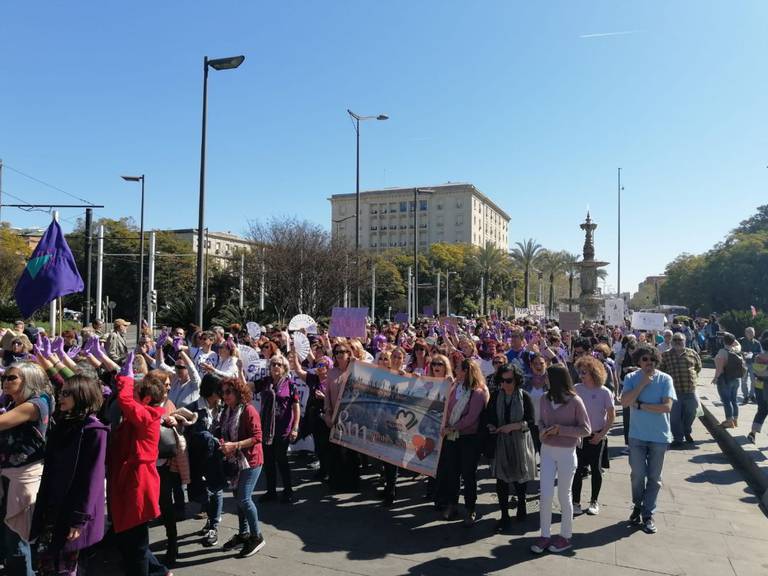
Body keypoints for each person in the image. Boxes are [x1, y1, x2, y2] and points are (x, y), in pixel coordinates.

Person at [31, 375, 108, 576]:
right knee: (46, 566)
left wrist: (80, 519)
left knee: (64, 568)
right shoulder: (63, 424)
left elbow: (93, 478)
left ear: (81, 395)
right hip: (52, 507)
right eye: (61, 392)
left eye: (66, 393)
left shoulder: (94, 430)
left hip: (72, 511)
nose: (61, 396)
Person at [107, 353, 171, 576]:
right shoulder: (145, 410)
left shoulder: (147, 415)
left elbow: (126, 401)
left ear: (144, 398)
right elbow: (129, 400)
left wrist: (125, 378)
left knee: (137, 543)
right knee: (130, 540)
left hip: (138, 483)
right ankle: (159, 572)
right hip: (131, 478)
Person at [0, 362, 54, 575]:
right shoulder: (18, 402)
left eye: (12, 378)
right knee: (10, 534)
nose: (5, 381)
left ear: (29, 380)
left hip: (23, 478)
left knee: (17, 537)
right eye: (5, 377)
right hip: (11, 474)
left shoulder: (35, 404)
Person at [530, 364, 590, 554]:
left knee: (564, 495)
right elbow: (539, 422)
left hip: (566, 452)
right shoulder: (544, 399)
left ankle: (566, 536)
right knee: (545, 495)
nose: (544, 378)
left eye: (547, 376)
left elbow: (586, 429)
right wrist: (542, 432)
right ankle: (545, 535)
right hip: (547, 451)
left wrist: (560, 430)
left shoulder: (575, 401)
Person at [620, 345, 676, 535]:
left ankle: (648, 513)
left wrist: (641, 405)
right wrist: (642, 384)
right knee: (637, 475)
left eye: (652, 360)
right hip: (637, 436)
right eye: (644, 359)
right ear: (638, 361)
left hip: (659, 437)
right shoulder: (631, 378)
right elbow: (625, 402)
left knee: (654, 478)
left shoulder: (665, 379)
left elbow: (666, 407)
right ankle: (638, 505)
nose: (648, 363)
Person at [436, 358, 489, 526]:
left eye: (458, 368)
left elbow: (471, 418)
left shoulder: (478, 392)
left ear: (466, 371)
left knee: (468, 474)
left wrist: (453, 428)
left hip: (468, 439)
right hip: (452, 438)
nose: (455, 370)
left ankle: (470, 507)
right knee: (452, 472)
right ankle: (452, 504)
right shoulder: (454, 387)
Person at [484, 363, 536, 531]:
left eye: (509, 381)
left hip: (519, 440)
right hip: (501, 442)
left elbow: (531, 421)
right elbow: (489, 416)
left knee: (520, 477)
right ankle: (504, 515)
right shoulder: (495, 396)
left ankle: (522, 504)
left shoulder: (524, 396)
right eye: (502, 380)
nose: (505, 384)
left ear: (517, 380)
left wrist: (513, 426)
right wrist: (491, 426)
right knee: (501, 479)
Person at [218, 377, 266, 558]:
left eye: (228, 392)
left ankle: (257, 536)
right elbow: (223, 432)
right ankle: (244, 533)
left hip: (251, 460)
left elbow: (257, 437)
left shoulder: (249, 410)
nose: (225, 396)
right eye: (223, 393)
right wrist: (224, 444)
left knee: (244, 499)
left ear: (238, 392)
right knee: (238, 498)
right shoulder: (227, 411)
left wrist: (235, 445)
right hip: (235, 460)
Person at [572, 355, 615, 516]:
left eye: (584, 372)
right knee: (576, 470)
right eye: (580, 372)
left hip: (597, 436)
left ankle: (594, 501)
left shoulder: (604, 392)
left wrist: (602, 435)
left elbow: (611, 416)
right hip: (579, 437)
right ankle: (575, 502)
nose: (581, 375)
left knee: (596, 470)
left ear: (594, 372)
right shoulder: (576, 388)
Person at [257, 355, 300, 504]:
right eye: (273, 364)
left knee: (281, 459)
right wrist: (239, 369)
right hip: (266, 429)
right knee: (268, 461)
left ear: (284, 368)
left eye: (279, 365)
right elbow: (246, 386)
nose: (276, 366)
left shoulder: (291, 385)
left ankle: (288, 491)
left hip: (283, 429)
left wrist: (295, 427)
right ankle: (271, 491)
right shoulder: (265, 382)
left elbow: (296, 408)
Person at [659, 332, 702, 446]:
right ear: (672, 342)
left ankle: (686, 431)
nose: (678, 342)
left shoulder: (692, 353)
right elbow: (661, 371)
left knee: (691, 413)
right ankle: (678, 438)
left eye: (680, 340)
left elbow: (698, 367)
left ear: (685, 341)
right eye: (675, 340)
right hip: (673, 392)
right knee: (674, 418)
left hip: (690, 391)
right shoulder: (665, 355)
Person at [713, 333, 744, 428]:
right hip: (736, 378)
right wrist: (732, 338)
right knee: (734, 400)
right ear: (733, 341)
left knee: (726, 400)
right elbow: (737, 343)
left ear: (723, 341)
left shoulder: (722, 351)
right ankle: (735, 420)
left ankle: (729, 421)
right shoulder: (736, 349)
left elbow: (720, 368)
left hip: (725, 378)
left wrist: (716, 378)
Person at [739, 327, 763, 404]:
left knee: (754, 380)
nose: (751, 334)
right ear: (746, 333)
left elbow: (760, 353)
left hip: (753, 363)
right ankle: (745, 396)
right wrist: (743, 353)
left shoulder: (757, 343)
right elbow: (738, 351)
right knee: (744, 380)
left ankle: (752, 395)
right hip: (744, 363)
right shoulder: (742, 341)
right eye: (749, 332)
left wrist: (754, 354)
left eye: (752, 333)